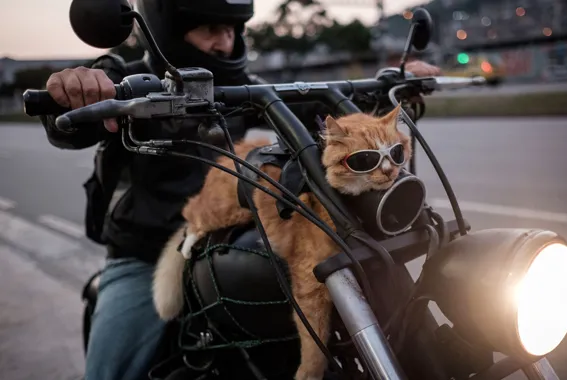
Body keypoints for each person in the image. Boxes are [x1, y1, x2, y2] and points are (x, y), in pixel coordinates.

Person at [39, 0, 443, 377]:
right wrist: (76, 87)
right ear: (168, 29)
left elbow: (326, 117)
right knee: (110, 369)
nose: (225, 40)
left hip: (228, 237)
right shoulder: (126, 79)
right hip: (145, 252)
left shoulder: (244, 85)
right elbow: (71, 123)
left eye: (233, 28)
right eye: (211, 28)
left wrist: (390, 86)